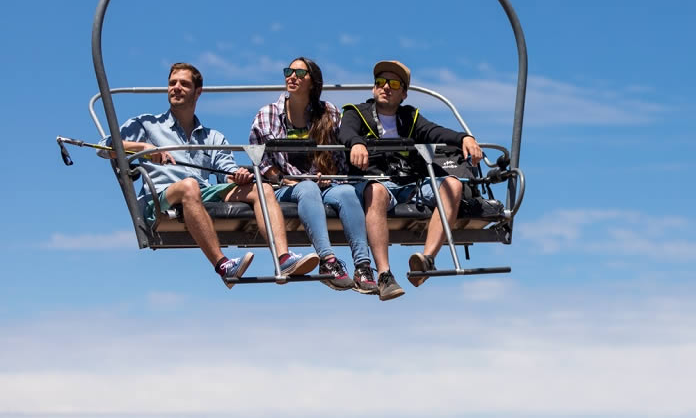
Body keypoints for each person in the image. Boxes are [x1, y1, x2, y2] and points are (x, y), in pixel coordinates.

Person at [105, 63, 318, 287]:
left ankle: (283, 259)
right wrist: (145, 149)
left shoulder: (213, 137)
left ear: (198, 92)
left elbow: (225, 172)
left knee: (262, 189)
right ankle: (223, 265)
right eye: (172, 83)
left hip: (200, 193)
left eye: (184, 84)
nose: (176, 88)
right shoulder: (147, 124)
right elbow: (106, 148)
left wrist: (238, 175)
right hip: (159, 199)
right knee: (189, 185)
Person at [338, 60, 483, 299]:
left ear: (403, 93)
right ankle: (385, 274)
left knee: (453, 184)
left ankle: (426, 261)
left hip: (411, 183)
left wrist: (464, 138)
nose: (386, 87)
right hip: (378, 183)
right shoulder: (356, 113)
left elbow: (436, 132)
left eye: (394, 83)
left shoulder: (410, 117)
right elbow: (346, 132)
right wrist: (356, 143)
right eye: (380, 83)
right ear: (374, 89)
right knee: (376, 192)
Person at [250, 57, 374, 293]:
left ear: (313, 82)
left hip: (325, 184)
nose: (292, 76)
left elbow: (338, 158)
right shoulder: (267, 114)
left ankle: (362, 265)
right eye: (288, 71)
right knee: (306, 188)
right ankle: (328, 261)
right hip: (287, 187)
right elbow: (260, 159)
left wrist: (329, 175)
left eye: (299, 73)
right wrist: (280, 178)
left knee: (347, 193)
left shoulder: (329, 112)